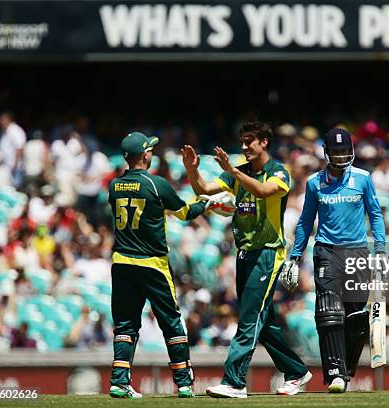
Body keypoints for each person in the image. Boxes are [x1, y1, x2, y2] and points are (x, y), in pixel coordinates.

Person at [182, 121, 311, 398]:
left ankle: (235, 381)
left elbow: (264, 192)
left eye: (249, 141)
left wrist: (233, 174)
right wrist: (192, 170)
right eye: (242, 141)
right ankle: (297, 372)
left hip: (267, 252)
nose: (244, 147)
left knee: (250, 318)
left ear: (264, 142)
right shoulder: (238, 172)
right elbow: (203, 189)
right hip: (244, 252)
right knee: (262, 322)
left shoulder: (278, 172)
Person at [108, 132, 213, 399]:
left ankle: (119, 382)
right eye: (150, 150)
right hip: (152, 264)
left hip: (121, 262)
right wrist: (205, 203)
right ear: (145, 155)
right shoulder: (156, 184)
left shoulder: (114, 185)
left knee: (125, 325)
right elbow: (185, 213)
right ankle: (184, 382)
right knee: (171, 321)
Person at [282, 128, 385, 393]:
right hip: (327, 251)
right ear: (326, 153)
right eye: (335, 152)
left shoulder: (363, 178)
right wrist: (294, 256)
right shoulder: (315, 182)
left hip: (358, 252)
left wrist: (381, 250)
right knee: (329, 312)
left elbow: (375, 214)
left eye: (344, 151)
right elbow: (306, 221)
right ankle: (335, 373)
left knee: (356, 317)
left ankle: (346, 367)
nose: (341, 157)